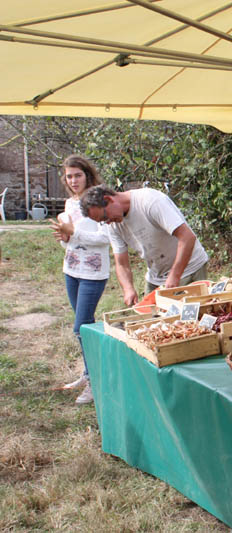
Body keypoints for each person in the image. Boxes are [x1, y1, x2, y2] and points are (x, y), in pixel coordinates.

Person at [80, 185, 208, 306]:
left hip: (189, 269)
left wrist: (174, 276)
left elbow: (187, 237)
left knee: (190, 322)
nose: (107, 223)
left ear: (108, 199)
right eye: (102, 222)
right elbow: (121, 263)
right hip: (156, 276)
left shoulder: (150, 201)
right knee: (152, 323)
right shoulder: (113, 225)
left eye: (105, 217)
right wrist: (128, 288)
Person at [49, 155, 109, 405]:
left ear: (87, 174)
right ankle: (87, 373)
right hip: (71, 271)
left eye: (77, 175)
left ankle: (97, 383)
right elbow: (70, 241)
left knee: (81, 327)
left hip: (93, 274)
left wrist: (74, 232)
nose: (73, 180)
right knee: (82, 328)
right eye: (69, 176)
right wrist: (64, 236)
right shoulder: (69, 203)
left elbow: (105, 239)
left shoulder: (99, 199)